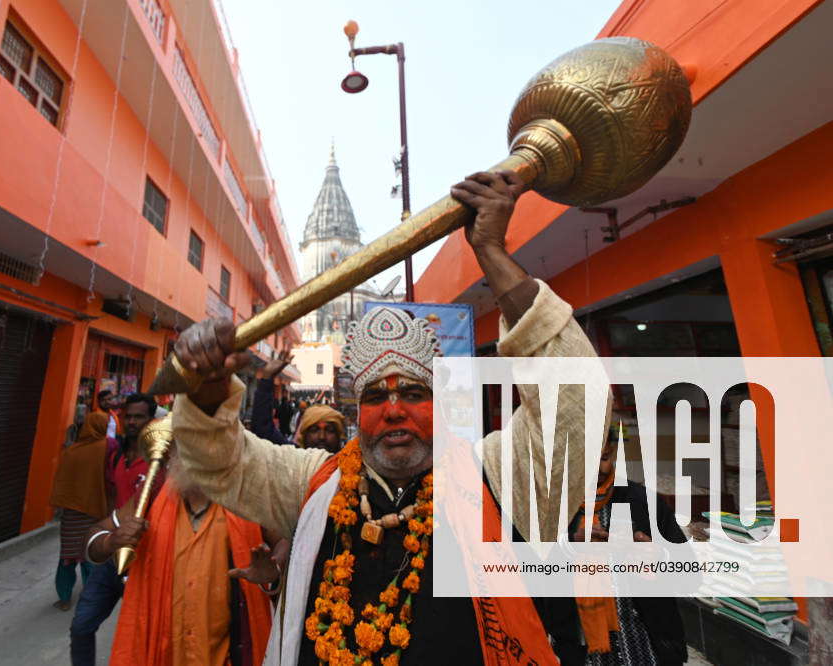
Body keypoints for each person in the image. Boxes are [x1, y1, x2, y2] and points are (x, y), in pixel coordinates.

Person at [165, 170, 603, 664]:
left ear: (438, 402)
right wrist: (204, 394)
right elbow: (221, 463)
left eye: (413, 392)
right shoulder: (314, 483)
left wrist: (494, 258)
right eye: (376, 397)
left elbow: (576, 408)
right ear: (358, 412)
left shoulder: (495, 479)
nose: (394, 410)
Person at [89, 453, 287, 665]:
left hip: (230, 652)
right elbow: (95, 536)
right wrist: (111, 541)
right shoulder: (153, 492)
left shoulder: (246, 494)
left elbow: (284, 538)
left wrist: (275, 566)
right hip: (164, 654)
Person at [547, 422, 688, 665]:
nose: (595, 469)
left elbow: (690, 574)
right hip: (582, 653)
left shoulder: (644, 503)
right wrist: (569, 547)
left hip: (649, 651)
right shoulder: (546, 511)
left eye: (602, 458)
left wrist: (661, 557)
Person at [68, 393, 157, 666]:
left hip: (146, 559)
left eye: (139, 417)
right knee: (81, 626)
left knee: (141, 638)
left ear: (151, 420)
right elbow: (111, 493)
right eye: (128, 416)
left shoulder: (160, 461)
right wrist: (107, 531)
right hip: (111, 556)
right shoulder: (116, 454)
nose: (131, 422)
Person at [49, 411, 111, 611]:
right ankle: (91, 596)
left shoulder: (72, 450)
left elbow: (62, 481)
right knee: (90, 555)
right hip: (96, 509)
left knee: (67, 556)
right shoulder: (108, 447)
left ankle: (64, 598)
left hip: (72, 512)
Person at [250, 350, 295, 445]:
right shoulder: (300, 456)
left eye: (330, 430)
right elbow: (263, 430)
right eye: (314, 430)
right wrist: (267, 376)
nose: (321, 436)